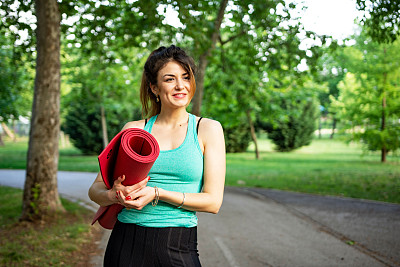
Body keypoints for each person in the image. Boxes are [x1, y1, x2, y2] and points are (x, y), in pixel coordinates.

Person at [88, 45, 226, 267]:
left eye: (186, 77)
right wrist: (114, 195)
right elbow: (95, 190)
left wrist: (157, 193)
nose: (180, 86)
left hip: (179, 243)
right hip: (127, 244)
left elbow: (213, 202)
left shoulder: (207, 129)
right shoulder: (133, 130)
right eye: (170, 79)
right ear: (154, 87)